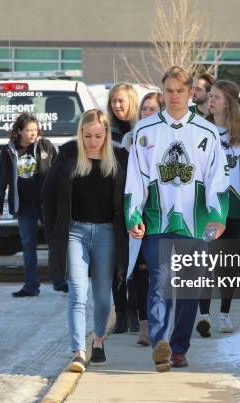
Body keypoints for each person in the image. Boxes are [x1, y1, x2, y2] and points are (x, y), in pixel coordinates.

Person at [125, 66, 229, 371]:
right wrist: (133, 215)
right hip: (156, 222)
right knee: (159, 282)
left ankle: (180, 347)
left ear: (191, 93)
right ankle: (161, 343)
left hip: (195, 224)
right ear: (162, 91)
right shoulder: (144, 132)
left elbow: (217, 179)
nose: (174, 97)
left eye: (180, 91)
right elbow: (135, 180)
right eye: (168, 91)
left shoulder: (207, 132)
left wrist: (218, 215)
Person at [41, 109, 128, 373]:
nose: (93, 141)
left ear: (106, 135)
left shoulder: (120, 158)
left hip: (107, 234)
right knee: (78, 293)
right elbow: (47, 196)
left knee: (103, 299)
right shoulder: (67, 156)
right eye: (88, 135)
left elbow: (130, 198)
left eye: (98, 136)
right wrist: (53, 229)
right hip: (74, 233)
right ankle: (78, 351)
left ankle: (98, 340)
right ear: (80, 133)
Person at [196, 79, 240, 336]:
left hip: (236, 206)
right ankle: (203, 314)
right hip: (207, 208)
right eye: (210, 96)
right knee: (204, 259)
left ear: (228, 101)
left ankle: (224, 313)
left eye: (215, 97)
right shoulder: (200, 128)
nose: (210, 101)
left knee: (229, 262)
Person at [0, 113, 67, 297]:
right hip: (24, 206)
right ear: (19, 131)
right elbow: (1, 179)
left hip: (46, 205)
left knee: (55, 243)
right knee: (28, 245)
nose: (33, 134)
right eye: (28, 130)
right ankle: (31, 286)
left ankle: (60, 282)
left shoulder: (45, 146)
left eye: (35, 130)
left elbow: (60, 173)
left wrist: (63, 200)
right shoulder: (8, 151)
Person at [121, 91, 164, 347]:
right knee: (138, 271)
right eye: (144, 109)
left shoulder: (169, 139)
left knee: (159, 272)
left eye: (152, 109)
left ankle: (161, 322)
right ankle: (144, 324)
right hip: (136, 213)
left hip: (161, 214)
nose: (147, 113)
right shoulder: (130, 141)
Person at [106, 83, 140, 334]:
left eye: (121, 101)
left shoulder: (145, 130)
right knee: (115, 263)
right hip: (112, 205)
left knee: (138, 263)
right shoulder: (107, 132)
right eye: (113, 101)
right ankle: (122, 314)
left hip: (139, 205)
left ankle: (137, 312)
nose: (117, 106)